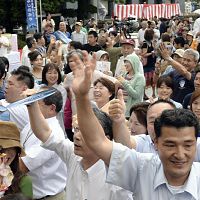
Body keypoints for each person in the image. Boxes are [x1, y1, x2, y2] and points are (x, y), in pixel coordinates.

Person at [69, 52, 200, 199]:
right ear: (156, 143)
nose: (180, 154)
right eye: (170, 145)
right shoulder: (141, 169)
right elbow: (97, 141)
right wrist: (81, 97)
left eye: (188, 145)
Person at [25, 94, 133, 200]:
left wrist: (119, 122)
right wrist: (32, 104)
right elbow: (45, 133)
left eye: (86, 132)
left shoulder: (115, 174)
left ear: (106, 139)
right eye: (76, 129)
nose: (76, 136)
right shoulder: (72, 154)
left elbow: (125, 155)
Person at [19, 87, 67, 200]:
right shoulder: (32, 124)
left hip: (48, 197)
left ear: (51, 108)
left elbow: (23, 166)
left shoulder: (53, 133)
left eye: (36, 104)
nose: (30, 108)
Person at [0, 121, 32, 198]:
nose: (5, 154)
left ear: (17, 151)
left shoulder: (23, 181)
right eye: (1, 149)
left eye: (11, 148)